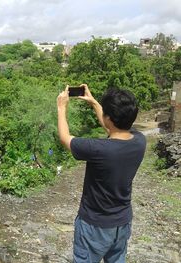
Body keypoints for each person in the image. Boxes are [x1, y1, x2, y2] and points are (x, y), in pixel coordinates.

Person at [57, 84, 146, 263]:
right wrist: (95, 103)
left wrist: (61, 107)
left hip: (94, 225)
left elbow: (65, 138)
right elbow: (113, 130)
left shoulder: (98, 149)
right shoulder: (139, 141)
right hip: (122, 223)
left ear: (109, 118)